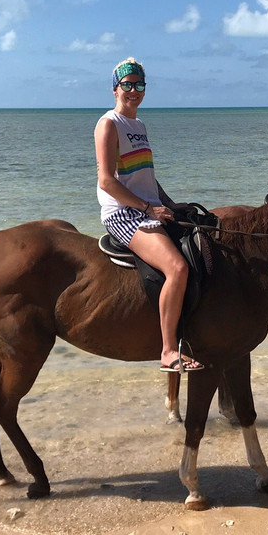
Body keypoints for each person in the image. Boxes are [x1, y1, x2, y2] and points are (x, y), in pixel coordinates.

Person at [94, 57, 204, 373]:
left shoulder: (139, 126)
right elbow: (107, 181)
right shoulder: (108, 124)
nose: (134, 90)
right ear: (115, 88)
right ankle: (169, 351)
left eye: (139, 84)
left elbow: (145, 176)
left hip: (146, 209)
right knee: (178, 267)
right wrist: (147, 208)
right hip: (123, 215)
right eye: (127, 84)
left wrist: (170, 203)